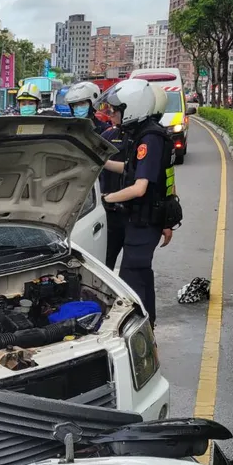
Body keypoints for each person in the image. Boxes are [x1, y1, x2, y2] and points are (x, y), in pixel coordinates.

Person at [97, 78, 177, 325]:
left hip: (146, 219)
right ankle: (148, 325)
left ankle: (140, 328)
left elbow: (140, 187)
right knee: (141, 276)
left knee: (132, 280)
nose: (111, 115)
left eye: (115, 110)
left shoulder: (150, 139)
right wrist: (101, 162)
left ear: (132, 108)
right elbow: (131, 169)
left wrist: (106, 199)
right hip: (141, 218)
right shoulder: (142, 134)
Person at [99, 106, 129, 270]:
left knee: (133, 267)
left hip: (134, 212)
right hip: (110, 210)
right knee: (105, 262)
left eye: (115, 111)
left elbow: (137, 171)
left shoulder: (145, 138)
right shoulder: (107, 136)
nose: (111, 115)